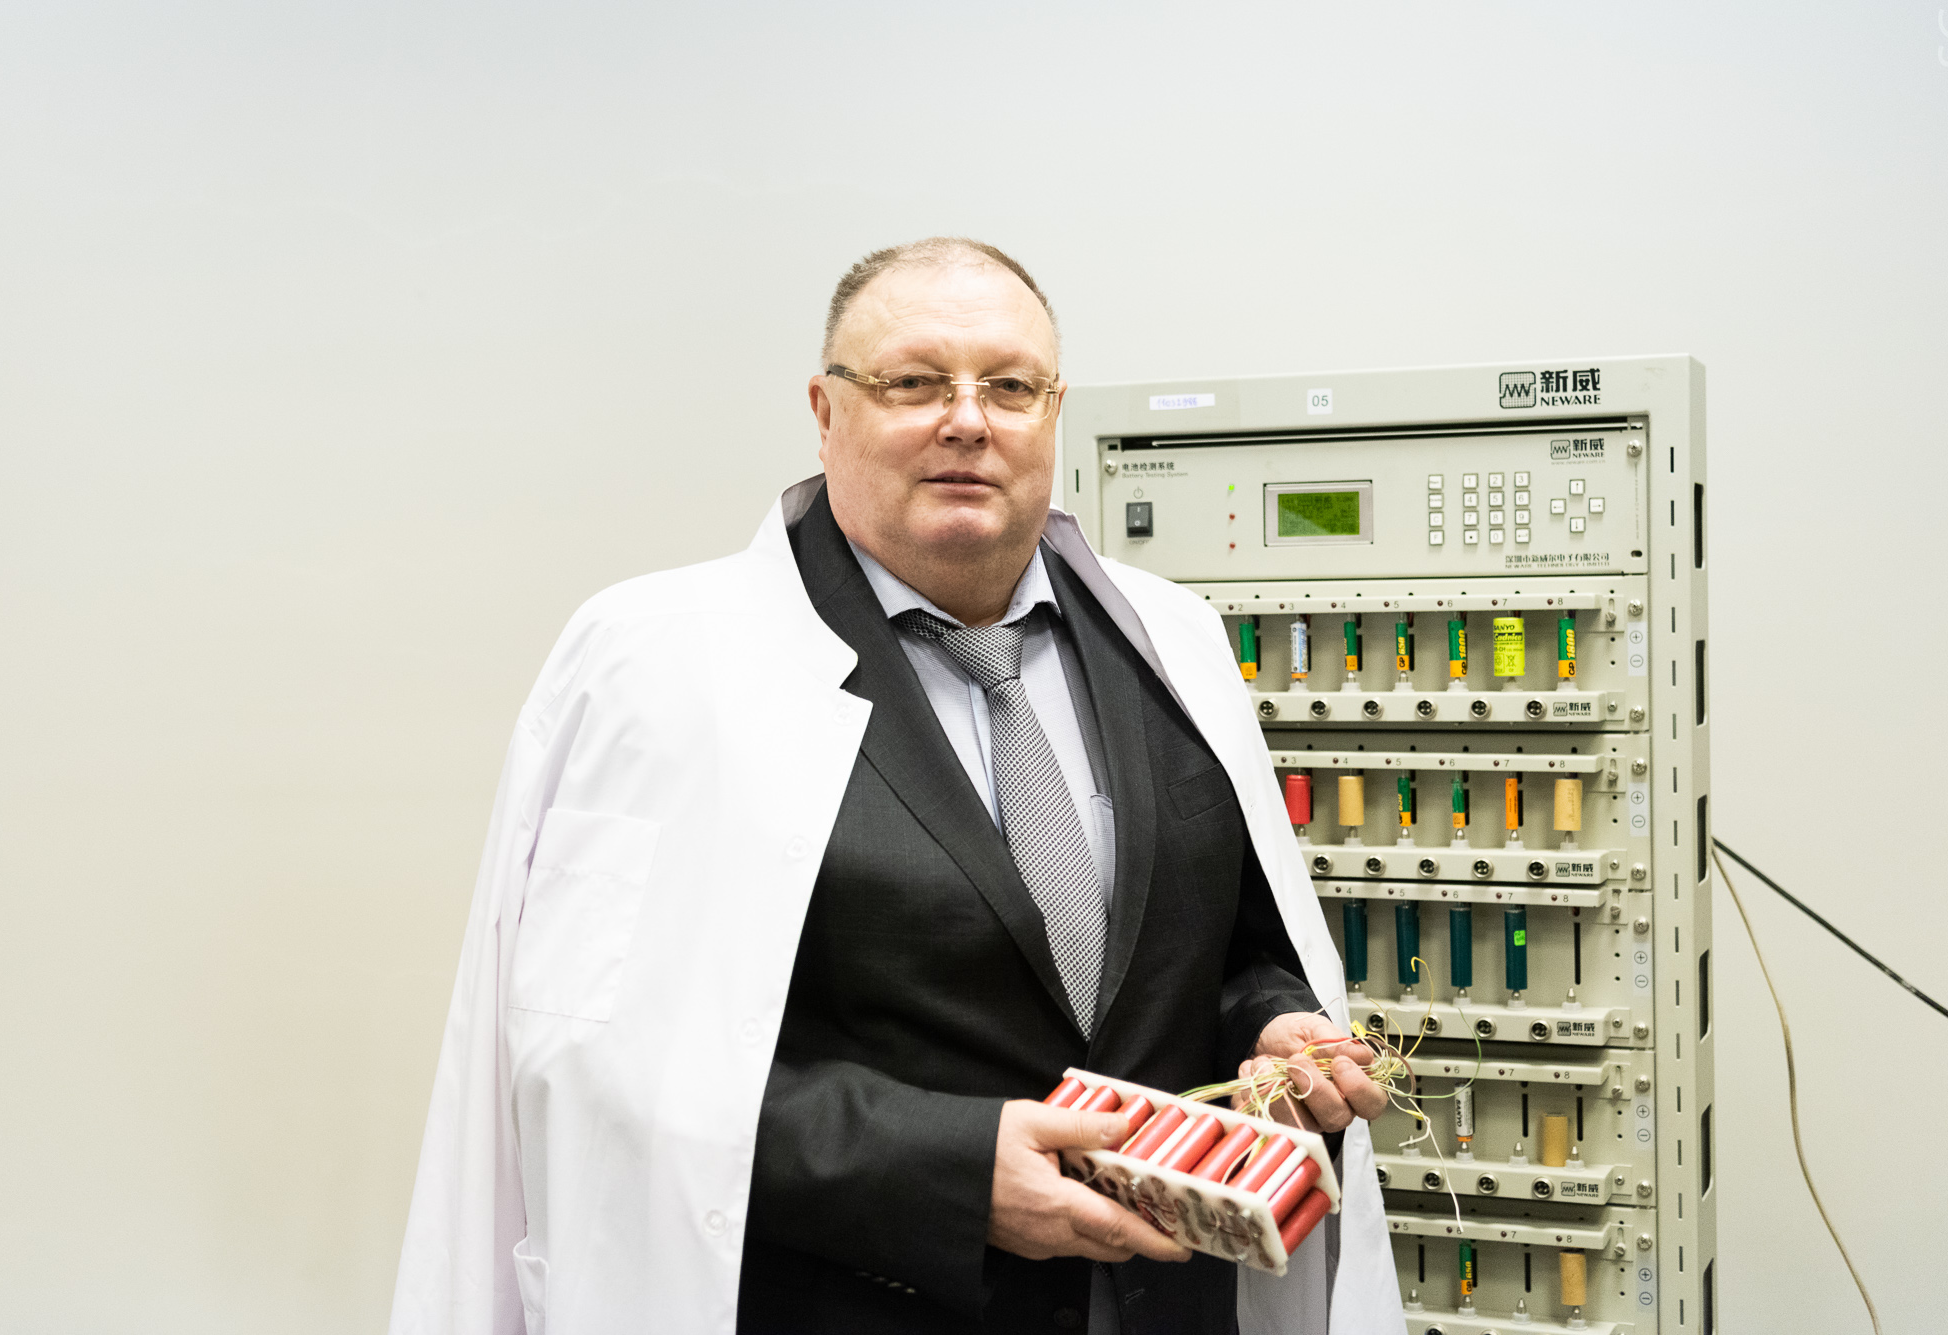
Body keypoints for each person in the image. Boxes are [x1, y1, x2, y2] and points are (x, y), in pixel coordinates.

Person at [391, 238, 1404, 1335]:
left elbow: (1227, 949)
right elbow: (600, 1063)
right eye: (913, 382)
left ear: (1053, 413)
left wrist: (1272, 1025)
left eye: (1008, 386)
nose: (967, 420)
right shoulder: (654, 666)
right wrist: (951, 1169)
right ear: (825, 412)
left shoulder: (1172, 641)